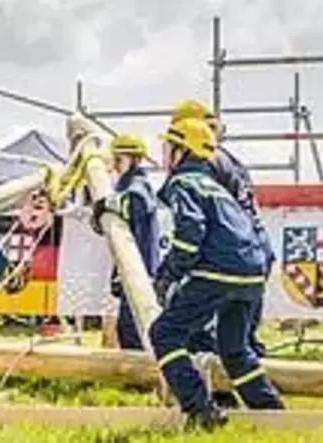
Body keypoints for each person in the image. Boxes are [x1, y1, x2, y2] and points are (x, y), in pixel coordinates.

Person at [149, 118, 284, 432]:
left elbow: (189, 233)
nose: (163, 153)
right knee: (234, 349)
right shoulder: (219, 187)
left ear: (182, 151)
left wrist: (168, 275)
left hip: (217, 273)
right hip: (252, 275)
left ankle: (201, 410)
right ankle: (272, 413)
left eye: (168, 146)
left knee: (165, 334)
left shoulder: (184, 182)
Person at [171, 99, 273, 360]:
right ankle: (254, 390)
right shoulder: (229, 160)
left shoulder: (206, 163)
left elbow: (199, 224)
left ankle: (215, 392)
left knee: (205, 332)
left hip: (231, 255)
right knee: (241, 337)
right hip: (253, 249)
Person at [91, 134, 160, 349]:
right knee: (129, 326)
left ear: (133, 159)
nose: (115, 164)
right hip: (132, 266)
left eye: (118, 159)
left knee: (132, 327)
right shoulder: (124, 186)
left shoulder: (138, 185)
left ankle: (140, 377)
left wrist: (108, 203)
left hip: (141, 267)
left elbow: (136, 203)